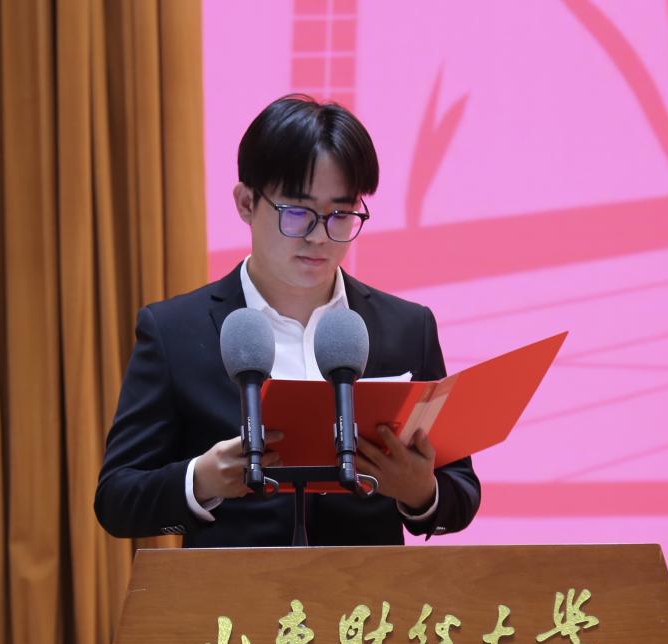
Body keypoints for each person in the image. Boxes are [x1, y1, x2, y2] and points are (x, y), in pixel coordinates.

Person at [94, 95, 479, 547]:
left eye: (341, 214)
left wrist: (420, 492)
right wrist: (201, 480)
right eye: (297, 213)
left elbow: (461, 492)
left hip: (370, 591)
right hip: (232, 592)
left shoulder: (407, 329)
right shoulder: (175, 331)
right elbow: (117, 500)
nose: (319, 236)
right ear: (246, 203)